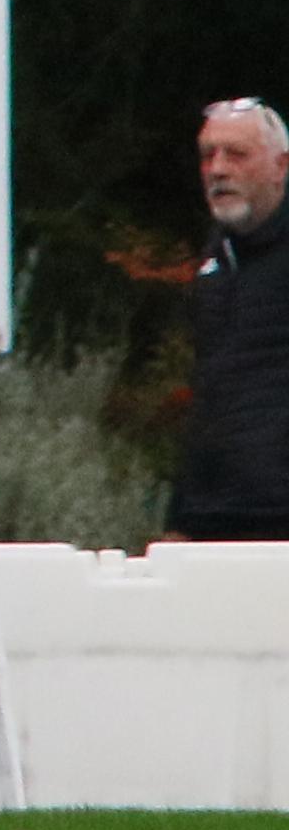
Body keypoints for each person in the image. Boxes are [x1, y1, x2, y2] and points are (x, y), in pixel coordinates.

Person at [168, 98, 289, 540]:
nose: (218, 169)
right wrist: (180, 515)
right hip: (212, 514)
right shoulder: (216, 260)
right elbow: (210, 390)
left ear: (280, 166)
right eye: (208, 155)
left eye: (236, 154)